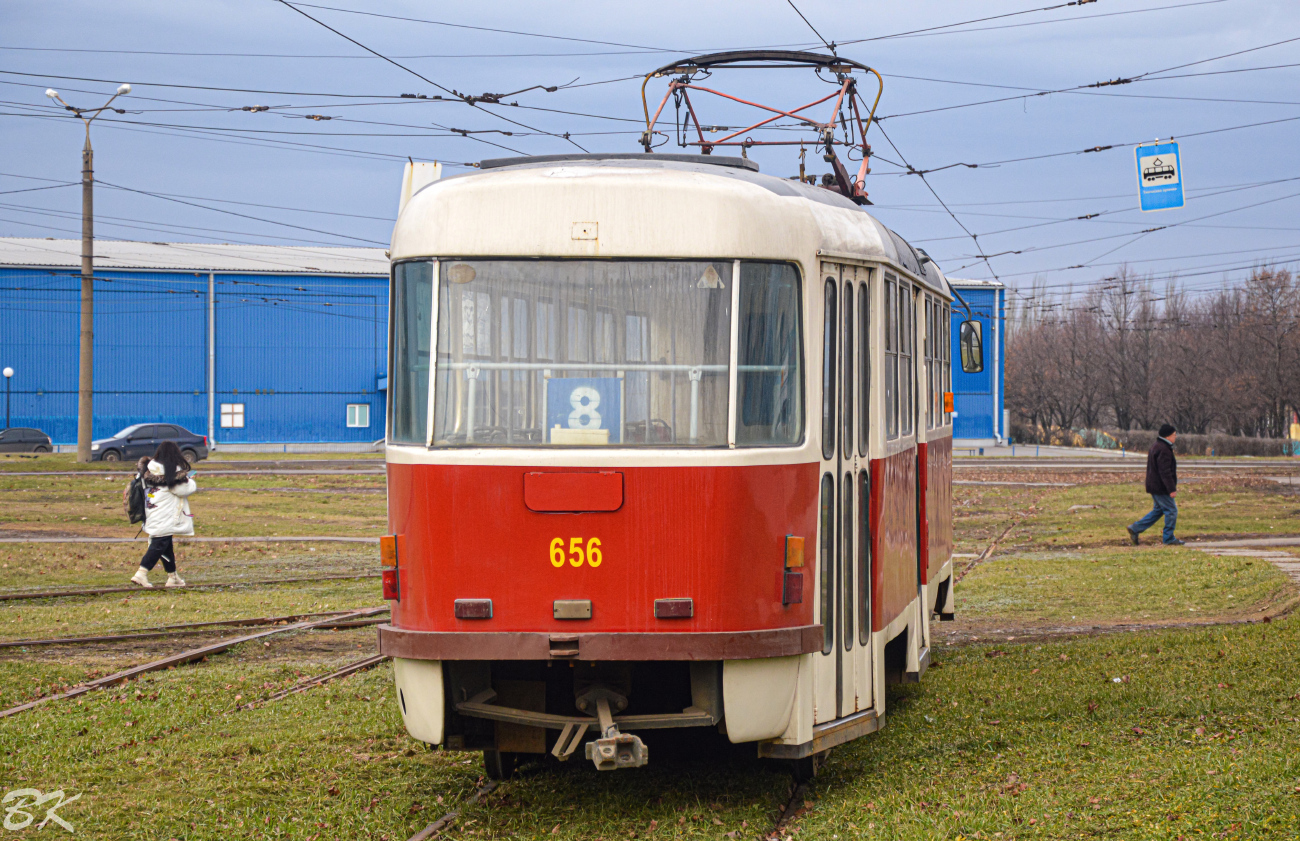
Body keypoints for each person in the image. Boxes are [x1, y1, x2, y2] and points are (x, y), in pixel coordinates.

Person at [129, 441, 197, 588]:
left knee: (165, 545)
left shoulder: (149, 469)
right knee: (158, 545)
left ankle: (173, 577)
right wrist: (190, 481)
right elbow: (183, 490)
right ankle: (141, 573)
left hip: (152, 512)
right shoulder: (173, 471)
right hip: (167, 514)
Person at [1127, 423, 1184, 546]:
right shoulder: (1164, 449)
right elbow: (1165, 471)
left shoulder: (1157, 446)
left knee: (1158, 511)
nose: (1175, 437)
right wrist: (1171, 489)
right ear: (1168, 436)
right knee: (1171, 510)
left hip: (1154, 485)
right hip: (1161, 487)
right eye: (1174, 435)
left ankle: (1135, 528)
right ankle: (1168, 538)